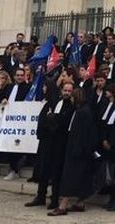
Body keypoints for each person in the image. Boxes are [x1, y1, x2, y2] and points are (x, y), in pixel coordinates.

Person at [48, 87, 97, 216]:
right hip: (76, 149)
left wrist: (80, 149)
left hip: (77, 151)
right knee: (80, 178)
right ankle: (80, 203)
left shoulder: (83, 112)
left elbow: (86, 134)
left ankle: (63, 205)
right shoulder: (80, 110)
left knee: (69, 178)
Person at [25, 81, 74, 209]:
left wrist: (51, 118)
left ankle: (54, 199)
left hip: (60, 144)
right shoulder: (52, 102)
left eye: (69, 91)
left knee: (56, 172)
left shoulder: (71, 106)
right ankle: (40, 196)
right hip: (47, 142)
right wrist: (52, 119)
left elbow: (63, 123)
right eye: (65, 90)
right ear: (61, 90)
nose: (67, 93)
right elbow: (42, 120)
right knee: (43, 170)